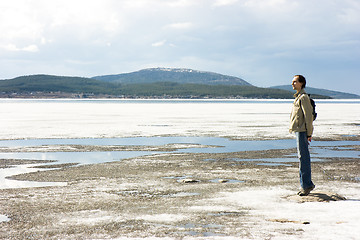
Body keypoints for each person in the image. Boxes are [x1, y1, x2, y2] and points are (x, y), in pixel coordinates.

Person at [289, 75, 315, 196]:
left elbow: (308, 117)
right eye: (293, 82)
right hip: (299, 130)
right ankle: (305, 184)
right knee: (302, 157)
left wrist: (309, 133)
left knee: (303, 157)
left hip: (303, 131)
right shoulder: (298, 97)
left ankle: (307, 185)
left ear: (301, 83)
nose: (292, 84)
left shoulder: (303, 98)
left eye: (295, 82)